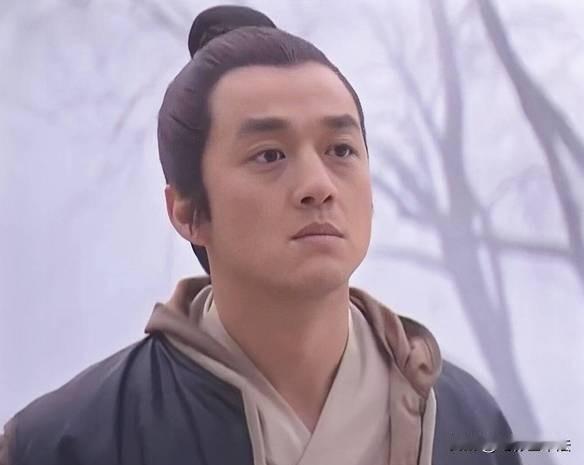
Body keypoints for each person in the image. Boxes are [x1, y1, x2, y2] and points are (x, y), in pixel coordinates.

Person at [0, 5, 522, 465]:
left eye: (340, 150)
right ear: (186, 211)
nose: (318, 186)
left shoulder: (466, 421)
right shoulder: (68, 444)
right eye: (269, 155)